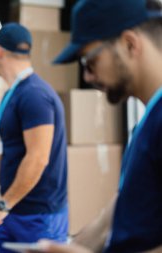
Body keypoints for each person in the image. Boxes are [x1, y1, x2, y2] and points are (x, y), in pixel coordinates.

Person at [26, 0, 162, 252]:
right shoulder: (148, 121)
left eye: (90, 61)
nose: (88, 77)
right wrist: (71, 246)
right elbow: (120, 208)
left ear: (130, 44)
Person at [0, 22, 69, 253]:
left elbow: (38, 158)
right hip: (13, 211)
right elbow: (5, 152)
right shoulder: (12, 95)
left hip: (38, 217)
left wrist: (3, 205)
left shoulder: (35, 95)